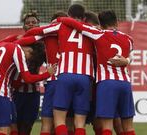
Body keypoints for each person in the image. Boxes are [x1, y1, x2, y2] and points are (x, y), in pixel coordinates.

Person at [57, 10, 135, 135]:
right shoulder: (128, 38)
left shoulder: (98, 34)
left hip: (106, 84)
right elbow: (131, 54)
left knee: (107, 127)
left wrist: (61, 19)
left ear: (101, 24)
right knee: (128, 127)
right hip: (125, 83)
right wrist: (126, 60)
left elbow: (76, 25)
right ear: (116, 22)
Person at [24, 4, 95, 135]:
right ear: (83, 17)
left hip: (57, 79)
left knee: (50, 123)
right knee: (76, 123)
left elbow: (34, 34)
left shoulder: (54, 30)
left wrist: (16, 40)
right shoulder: (90, 30)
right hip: (84, 78)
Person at [0, 38, 56, 135]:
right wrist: (47, 74)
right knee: (4, 129)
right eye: (30, 56)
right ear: (28, 49)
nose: (27, 59)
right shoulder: (18, 50)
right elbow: (27, 79)